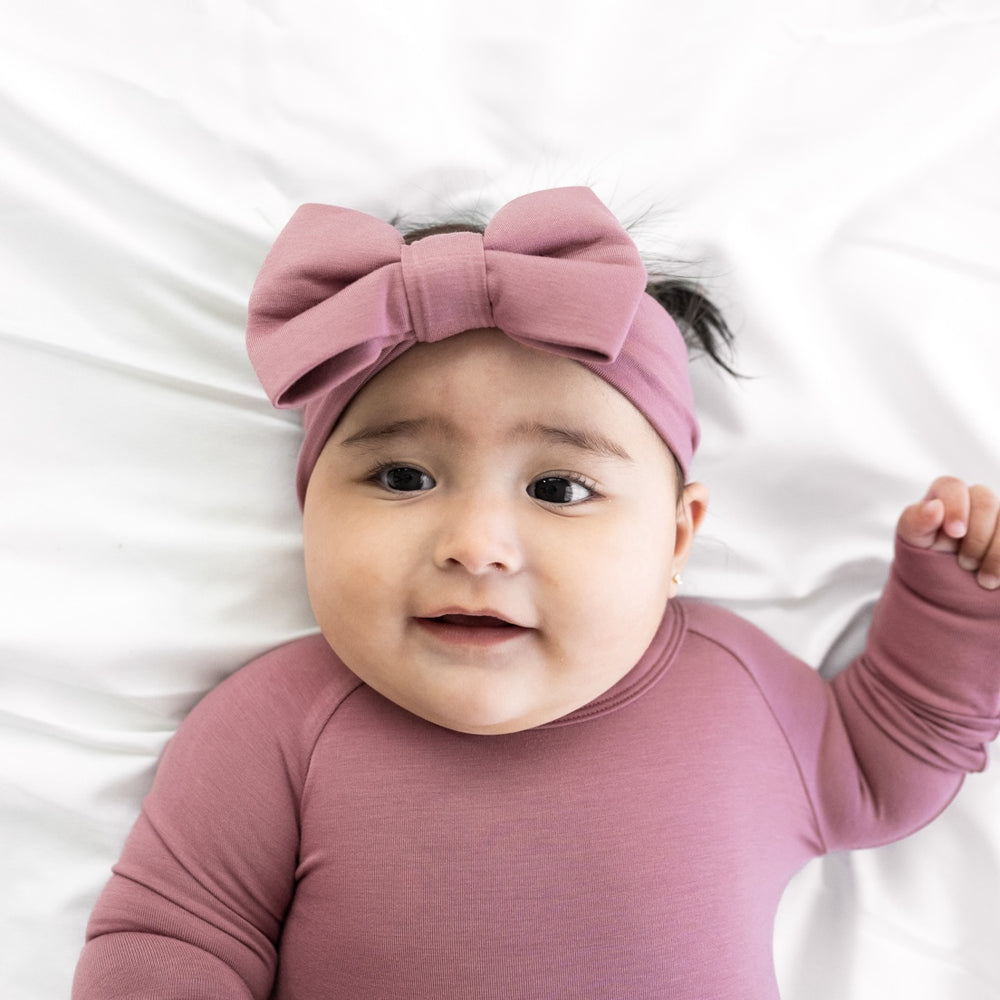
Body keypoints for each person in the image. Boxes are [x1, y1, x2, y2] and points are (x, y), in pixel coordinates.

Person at [72, 187, 1000, 999]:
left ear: (676, 538)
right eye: (401, 478)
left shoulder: (736, 690)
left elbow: (887, 768)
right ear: (307, 506)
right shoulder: (275, 726)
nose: (475, 545)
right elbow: (172, 939)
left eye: (560, 489)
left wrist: (956, 606)